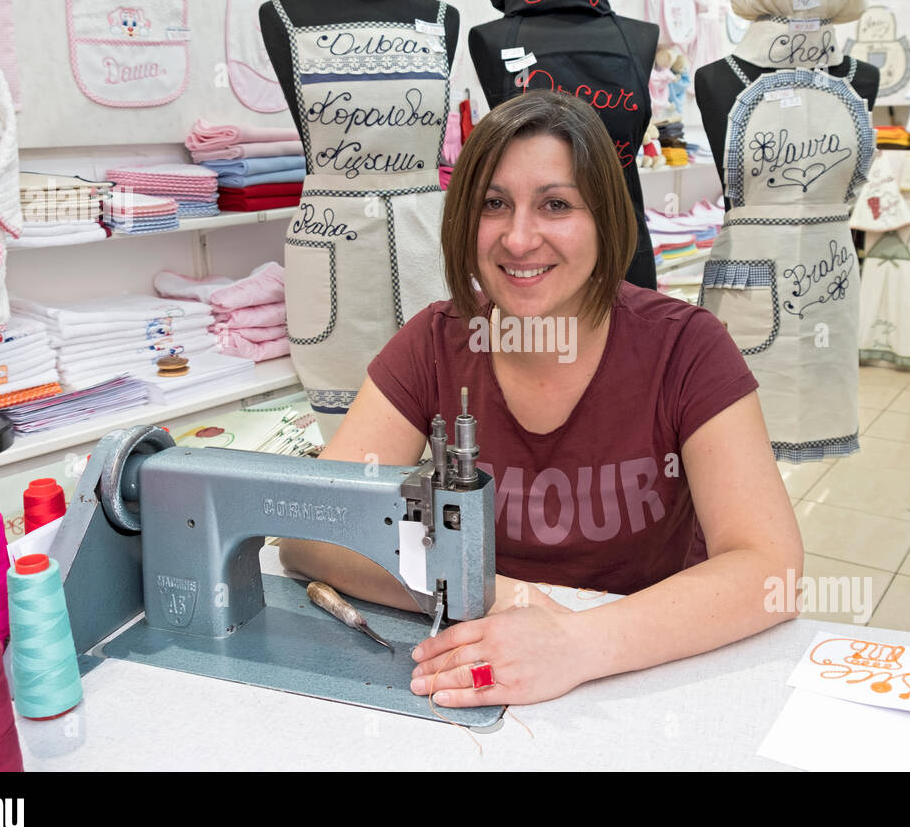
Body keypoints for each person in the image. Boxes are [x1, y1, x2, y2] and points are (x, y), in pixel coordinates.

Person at [279, 90, 803, 707]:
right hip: (482, 658)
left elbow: (772, 570)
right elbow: (308, 533)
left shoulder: (686, 348)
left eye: (556, 204)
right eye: (493, 205)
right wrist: (500, 595)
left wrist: (579, 644)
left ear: (605, 220)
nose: (519, 239)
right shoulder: (435, 343)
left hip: (644, 677)